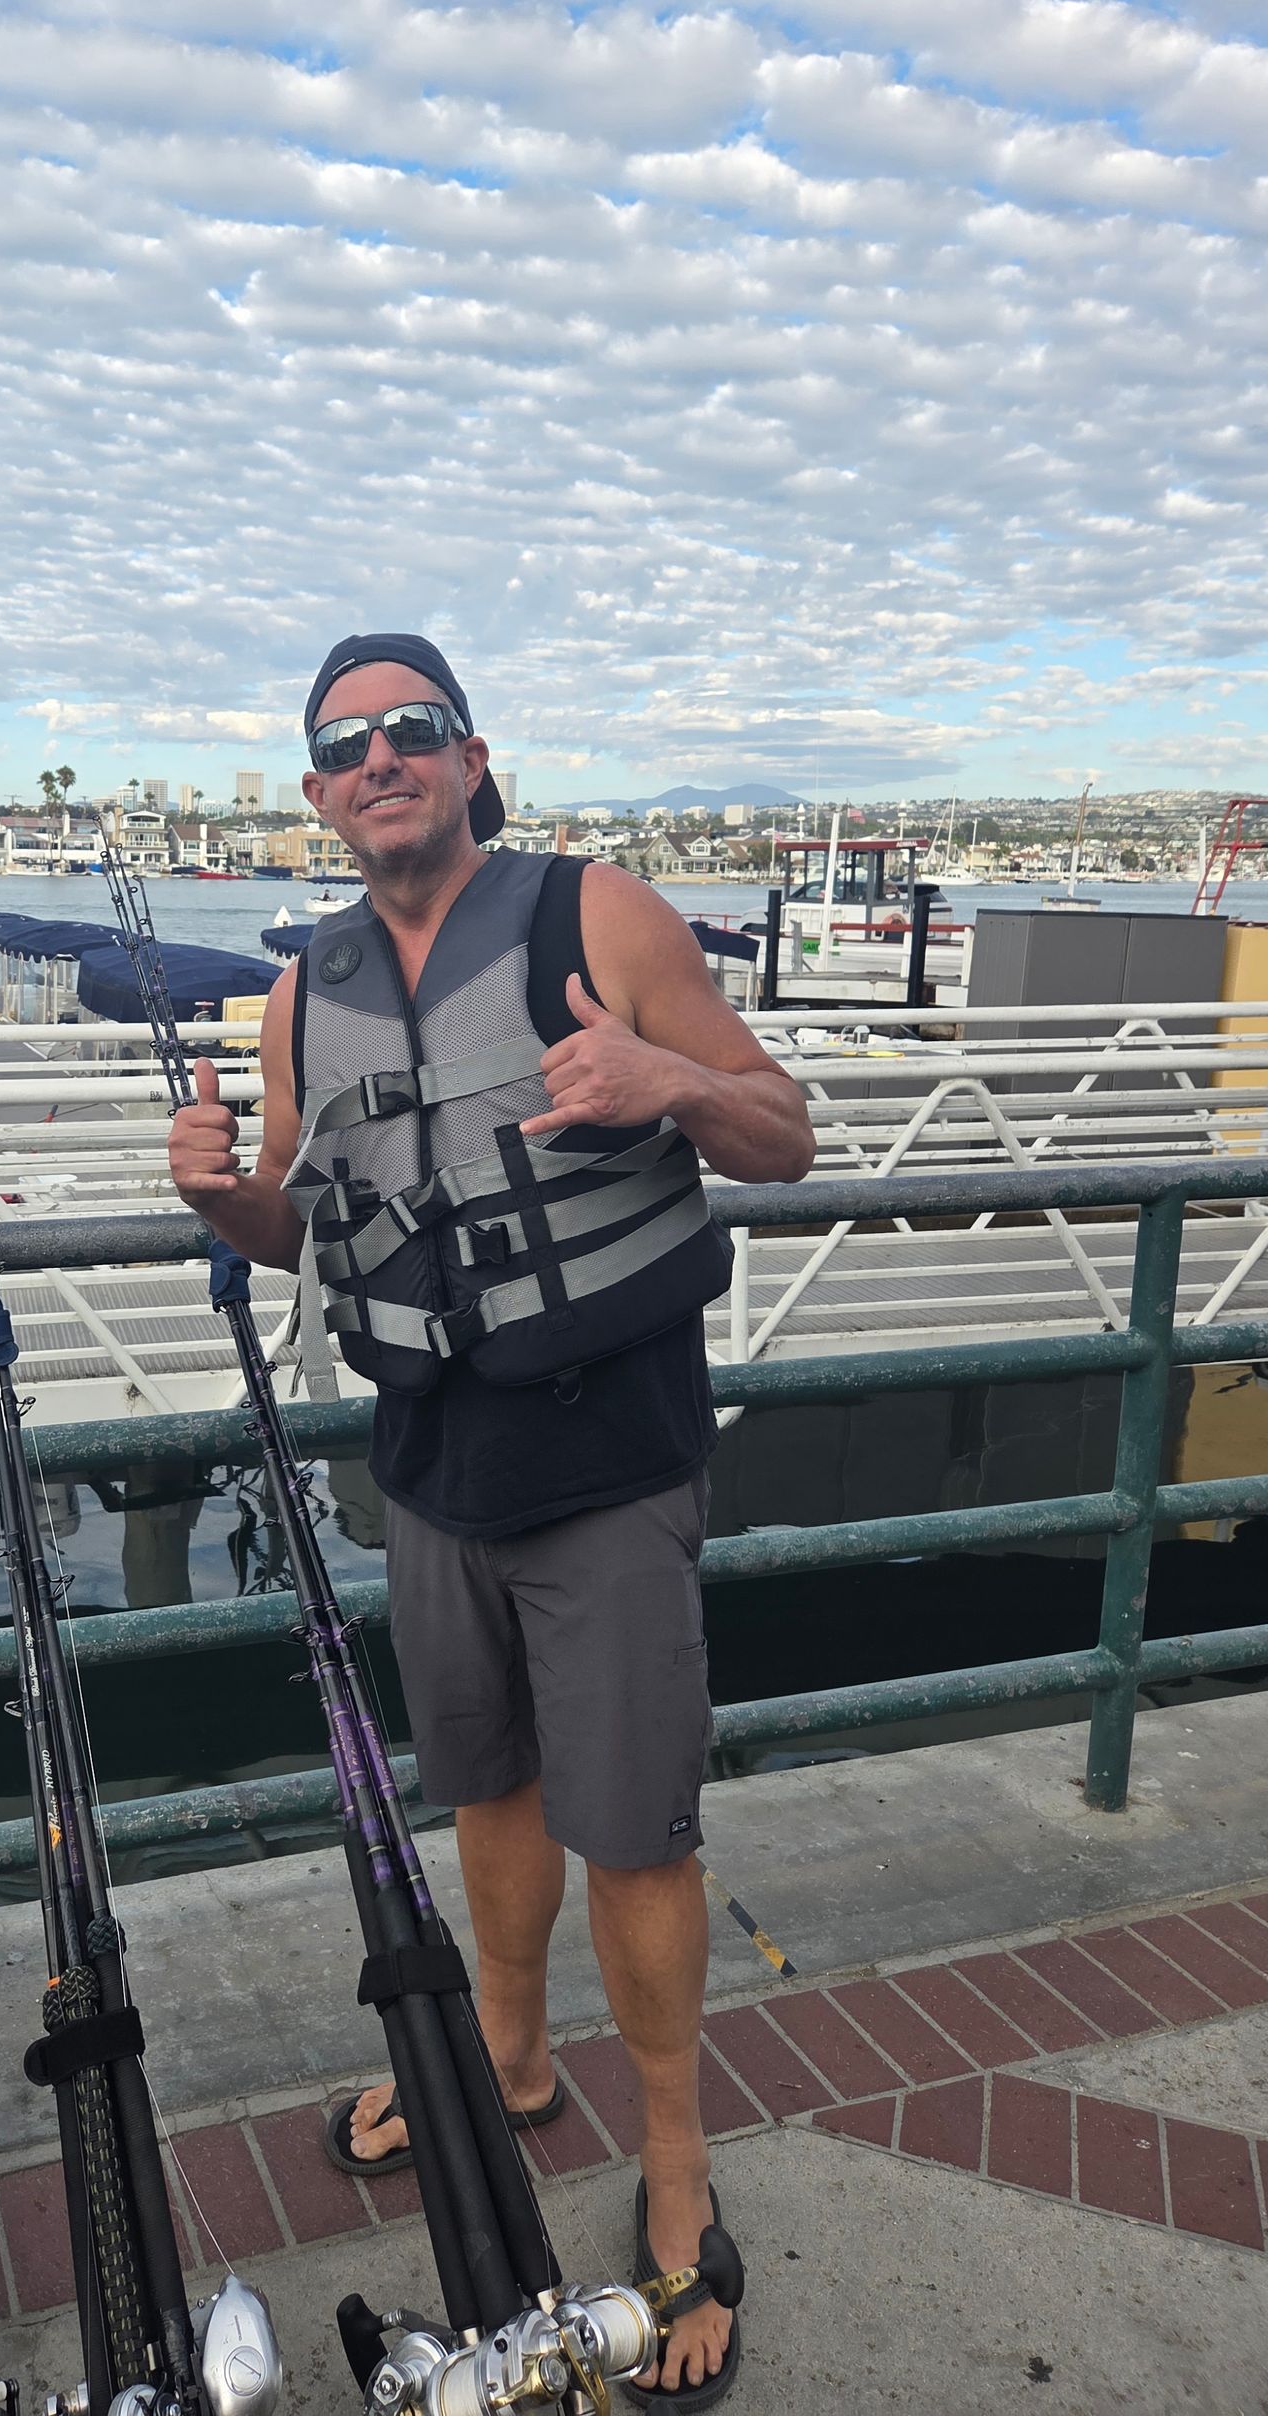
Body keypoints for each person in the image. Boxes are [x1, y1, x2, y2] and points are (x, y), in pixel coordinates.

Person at [167, 633, 814, 2406]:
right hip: (432, 1464)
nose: (381, 760)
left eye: (412, 730)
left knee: (638, 1829)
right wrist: (229, 1197)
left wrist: (666, 1084)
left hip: (609, 1459)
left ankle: (674, 2162)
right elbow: (316, 1226)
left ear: (468, 758)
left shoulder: (596, 916)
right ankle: (513, 2059)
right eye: (344, 744)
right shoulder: (303, 988)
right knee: (490, 1786)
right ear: (314, 795)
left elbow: (786, 1129)